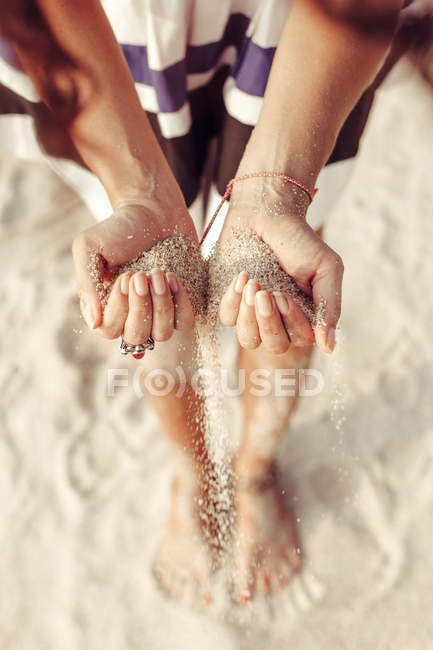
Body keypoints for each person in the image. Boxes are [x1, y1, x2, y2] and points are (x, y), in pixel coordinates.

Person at [0, 0, 419, 603]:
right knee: (151, 284)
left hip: (283, 34)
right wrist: (136, 188)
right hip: (111, 47)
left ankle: (251, 473)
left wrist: (276, 191)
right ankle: (196, 476)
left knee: (279, 284)